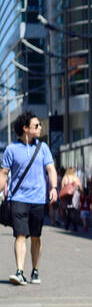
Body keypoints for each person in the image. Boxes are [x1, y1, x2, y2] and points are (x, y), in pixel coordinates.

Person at [0, 111, 58, 285]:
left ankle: (35, 270)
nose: (40, 128)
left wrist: (53, 187)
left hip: (38, 199)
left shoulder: (43, 148)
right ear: (26, 129)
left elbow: (51, 169)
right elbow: (3, 174)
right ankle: (19, 271)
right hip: (18, 198)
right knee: (20, 234)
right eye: (37, 125)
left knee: (35, 237)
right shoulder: (11, 149)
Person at [61, 168, 83, 232]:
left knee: (69, 211)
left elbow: (62, 188)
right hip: (75, 196)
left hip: (68, 196)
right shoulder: (75, 178)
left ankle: (67, 225)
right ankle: (74, 226)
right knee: (73, 211)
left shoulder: (65, 178)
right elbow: (80, 187)